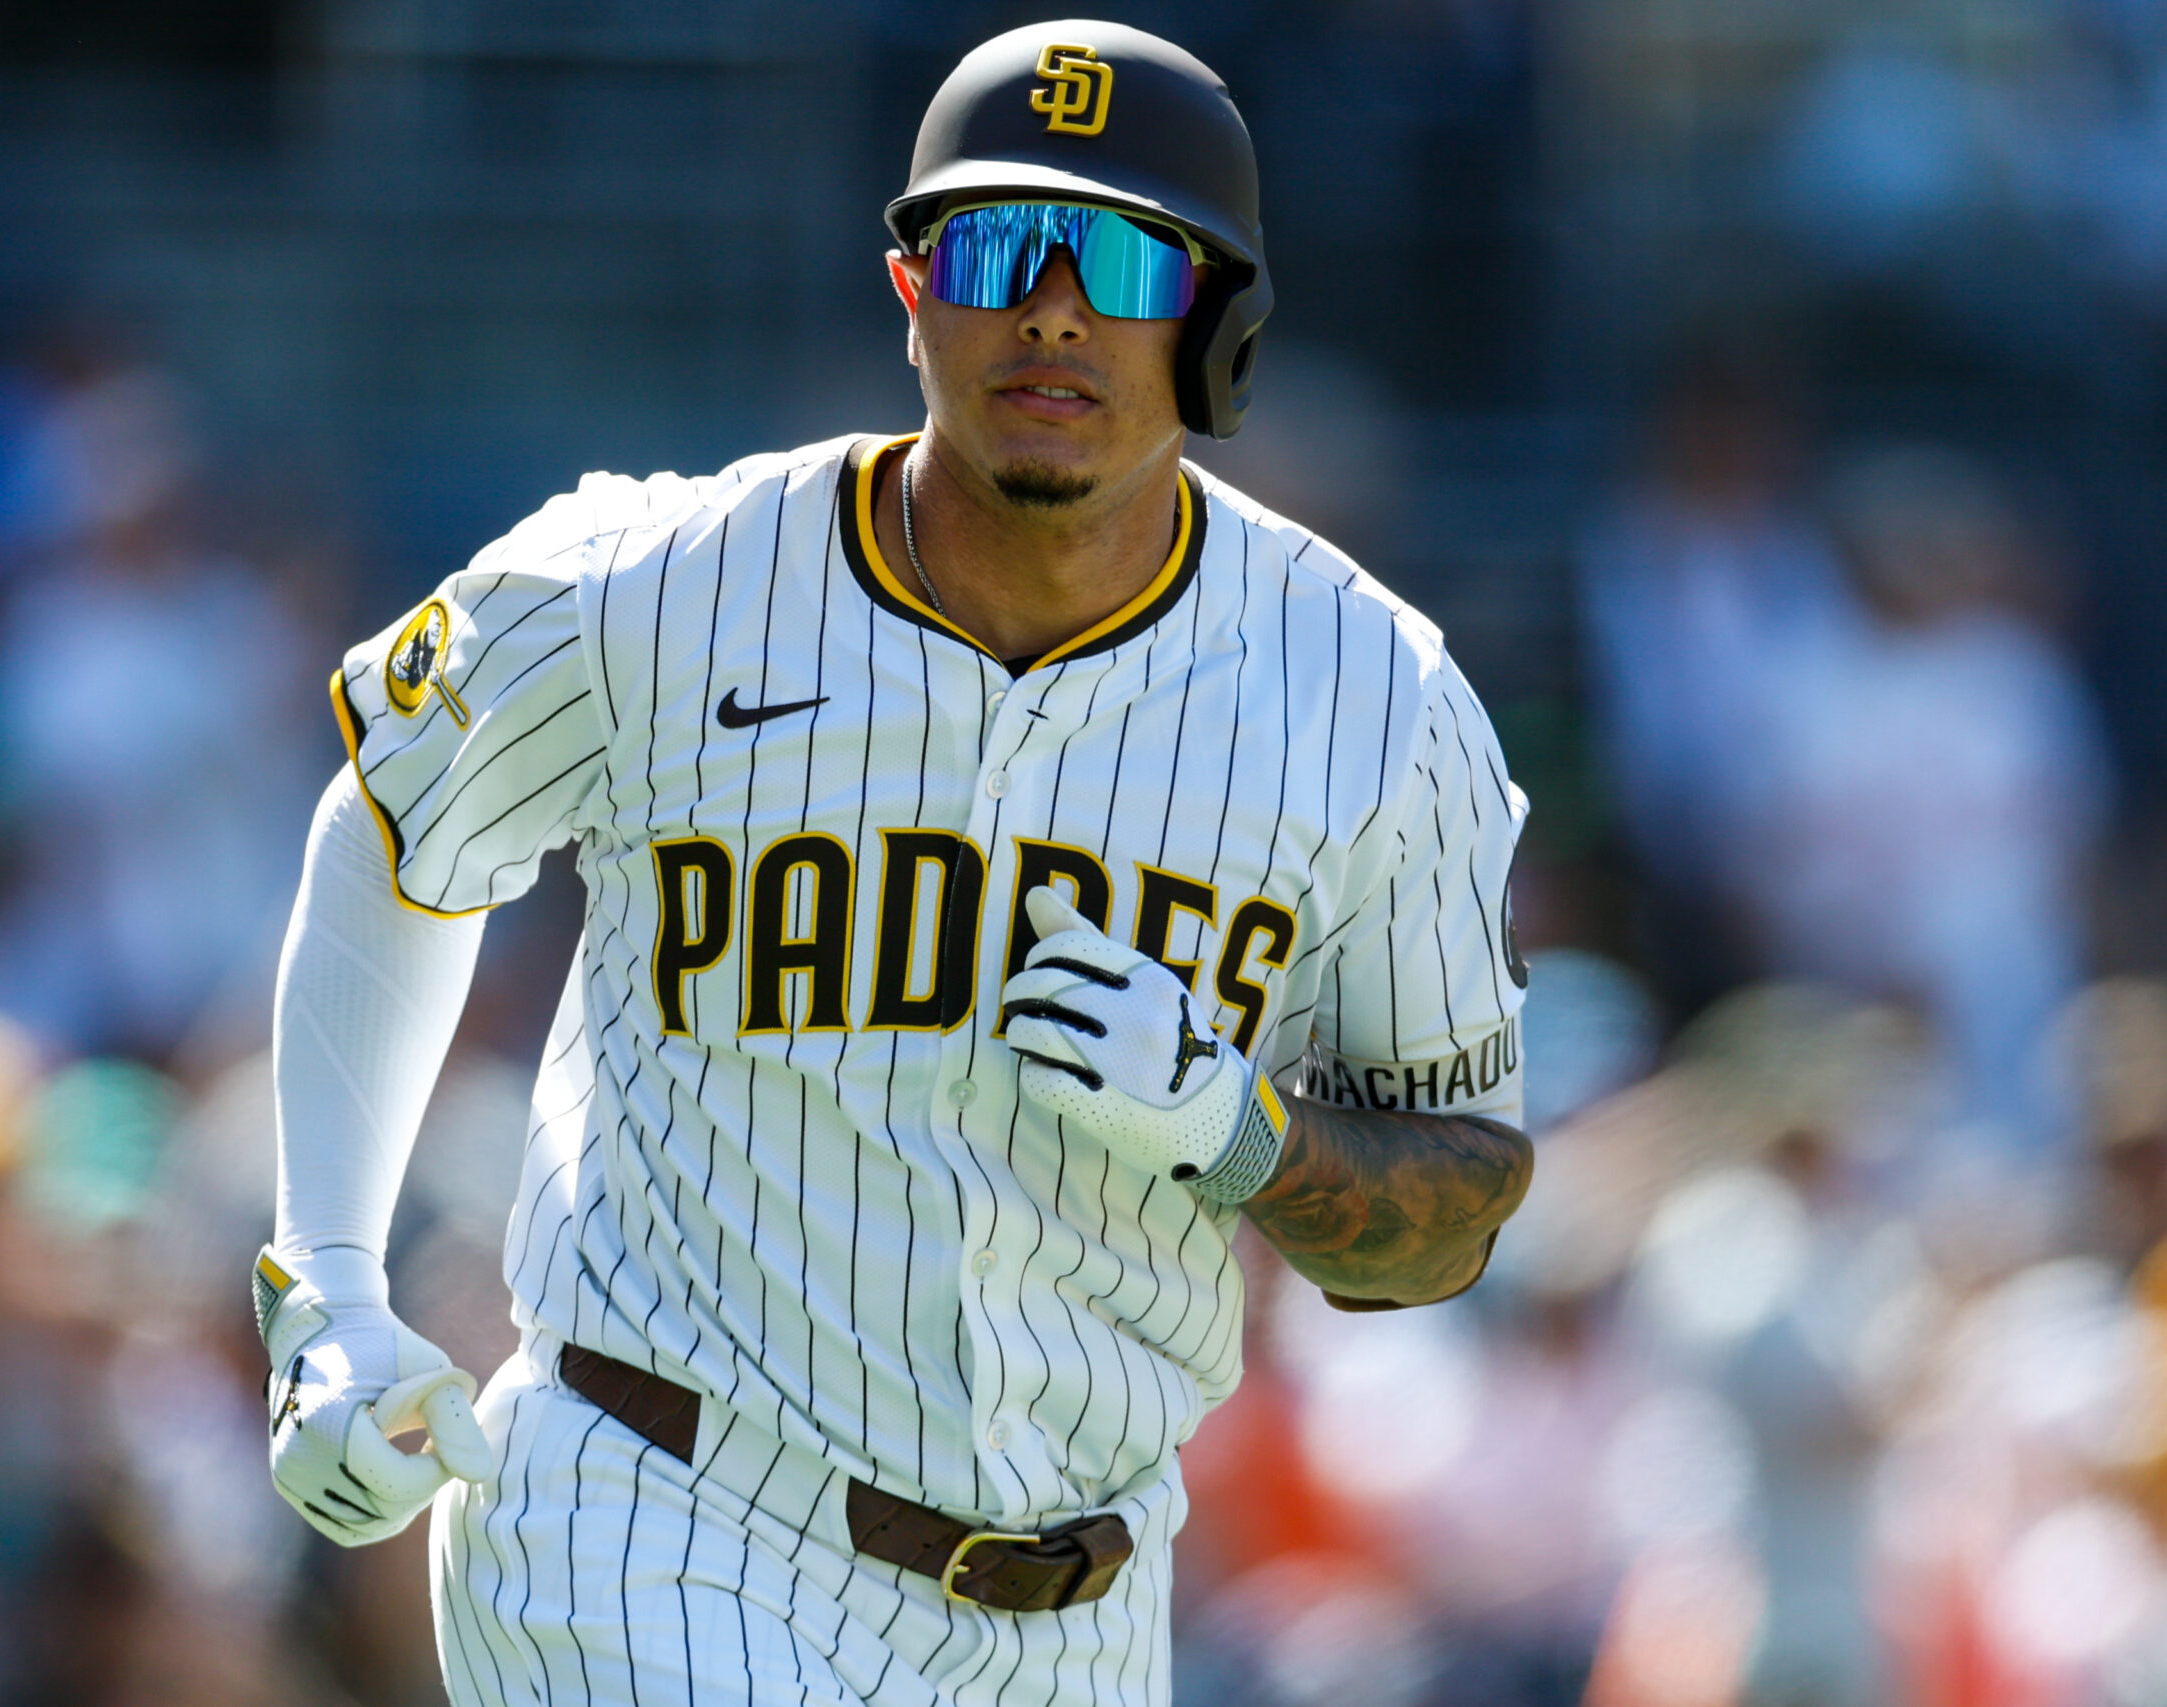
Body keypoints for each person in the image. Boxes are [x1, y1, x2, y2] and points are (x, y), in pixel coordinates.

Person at [252, 21, 1534, 1705]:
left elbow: (1444, 1220)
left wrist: (1243, 1131)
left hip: (1083, 1602)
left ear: (1222, 323)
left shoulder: (1377, 703)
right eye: (997, 245)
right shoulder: (658, 587)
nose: (1053, 309)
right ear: (913, 288)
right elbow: (397, 818)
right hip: (655, 1514)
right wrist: (323, 1281)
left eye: (1125, 259)